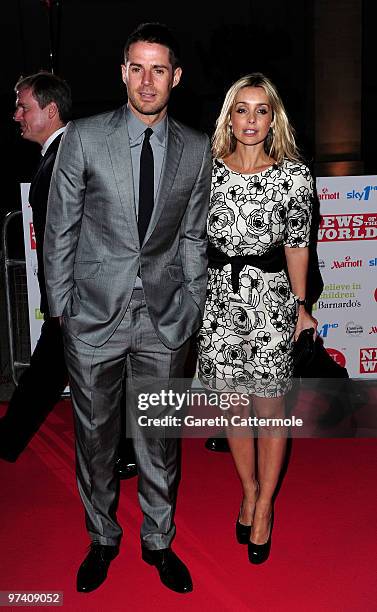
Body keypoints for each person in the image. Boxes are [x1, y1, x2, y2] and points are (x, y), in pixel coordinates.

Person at [44, 22, 211, 594]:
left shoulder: (196, 147)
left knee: (159, 439)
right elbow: (59, 228)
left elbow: (193, 236)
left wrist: (192, 303)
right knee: (94, 438)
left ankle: (159, 541)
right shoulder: (84, 138)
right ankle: (103, 538)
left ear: (176, 77)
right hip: (93, 319)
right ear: (122, 71)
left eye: (159, 69)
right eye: (137, 68)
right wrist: (60, 305)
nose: (147, 80)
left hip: (165, 321)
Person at [197, 73, 317, 564]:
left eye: (261, 110)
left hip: (269, 303)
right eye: (241, 109)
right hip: (219, 302)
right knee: (231, 411)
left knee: (269, 412)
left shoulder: (294, 177)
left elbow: (296, 245)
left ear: (274, 118)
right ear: (230, 115)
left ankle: (265, 506)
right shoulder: (207, 171)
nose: (250, 119)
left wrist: (302, 306)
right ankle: (247, 490)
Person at [0, 72, 136, 480]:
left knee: (69, 374)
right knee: (65, 373)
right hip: (83, 295)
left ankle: (126, 452)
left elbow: (83, 231)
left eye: (24, 106)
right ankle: (126, 451)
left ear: (51, 110)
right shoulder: (62, 153)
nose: (16, 115)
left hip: (82, 296)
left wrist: (68, 296)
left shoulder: (67, 156)